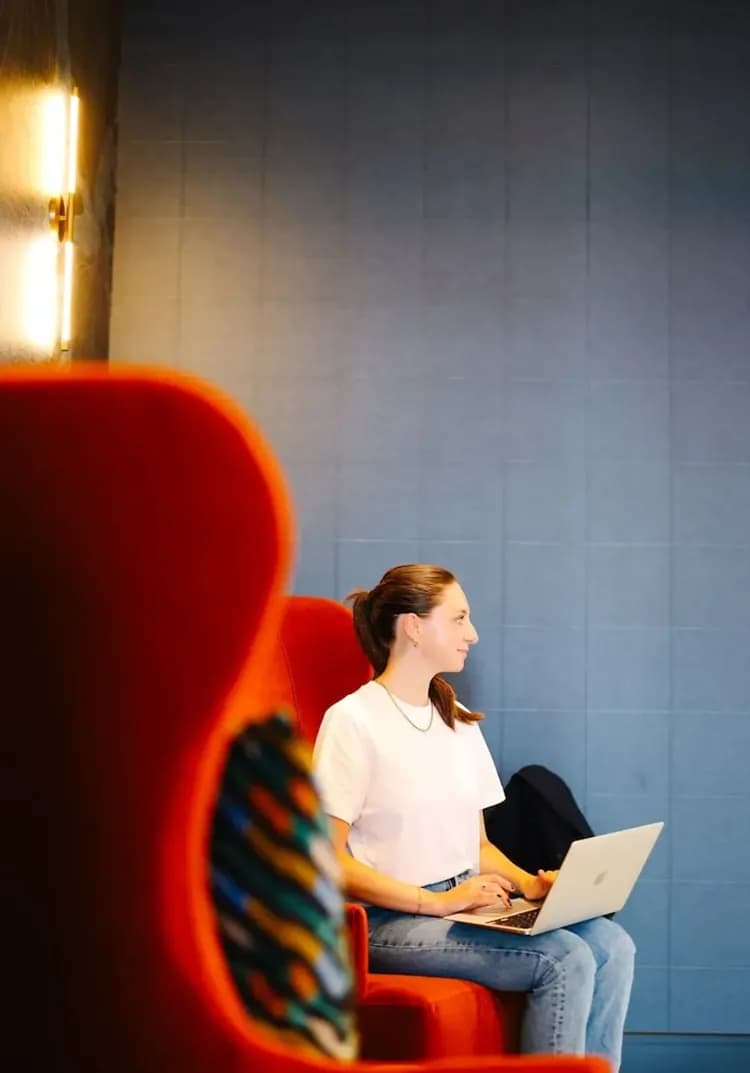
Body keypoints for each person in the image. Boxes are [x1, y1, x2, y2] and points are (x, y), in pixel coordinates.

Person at [313, 563, 635, 1069]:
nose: (473, 634)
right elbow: (330, 864)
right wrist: (435, 904)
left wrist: (531, 884)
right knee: (563, 959)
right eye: (459, 619)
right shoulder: (352, 721)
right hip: (387, 920)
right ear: (414, 627)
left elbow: (478, 848)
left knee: (613, 946)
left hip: (464, 900)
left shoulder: (457, 720)